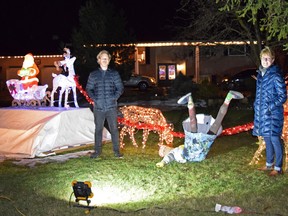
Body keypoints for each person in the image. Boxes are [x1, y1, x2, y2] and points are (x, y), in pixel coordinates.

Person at [156, 90, 243, 167]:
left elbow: (170, 156)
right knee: (216, 122)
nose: (165, 149)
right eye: (163, 150)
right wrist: (162, 162)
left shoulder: (176, 150)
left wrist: (163, 161)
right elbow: (168, 158)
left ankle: (190, 101)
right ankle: (228, 98)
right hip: (204, 143)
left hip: (196, 141)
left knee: (196, 122)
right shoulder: (173, 153)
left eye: (163, 148)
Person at [253, 46, 287, 176]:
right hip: (263, 114)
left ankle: (278, 168)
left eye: (268, 58)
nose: (265, 61)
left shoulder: (276, 75)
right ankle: (269, 165)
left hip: (273, 115)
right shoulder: (261, 75)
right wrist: (257, 104)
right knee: (267, 139)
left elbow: (282, 96)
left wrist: (270, 107)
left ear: (272, 60)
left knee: (274, 139)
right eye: (263, 58)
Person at [86, 50, 124, 159]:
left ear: (109, 60)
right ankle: (97, 152)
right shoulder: (93, 75)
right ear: (98, 60)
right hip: (98, 107)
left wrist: (114, 98)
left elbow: (120, 88)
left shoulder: (114, 74)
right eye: (102, 58)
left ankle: (117, 151)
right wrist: (95, 99)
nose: (104, 60)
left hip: (111, 107)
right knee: (98, 129)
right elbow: (89, 88)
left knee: (114, 129)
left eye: (106, 58)